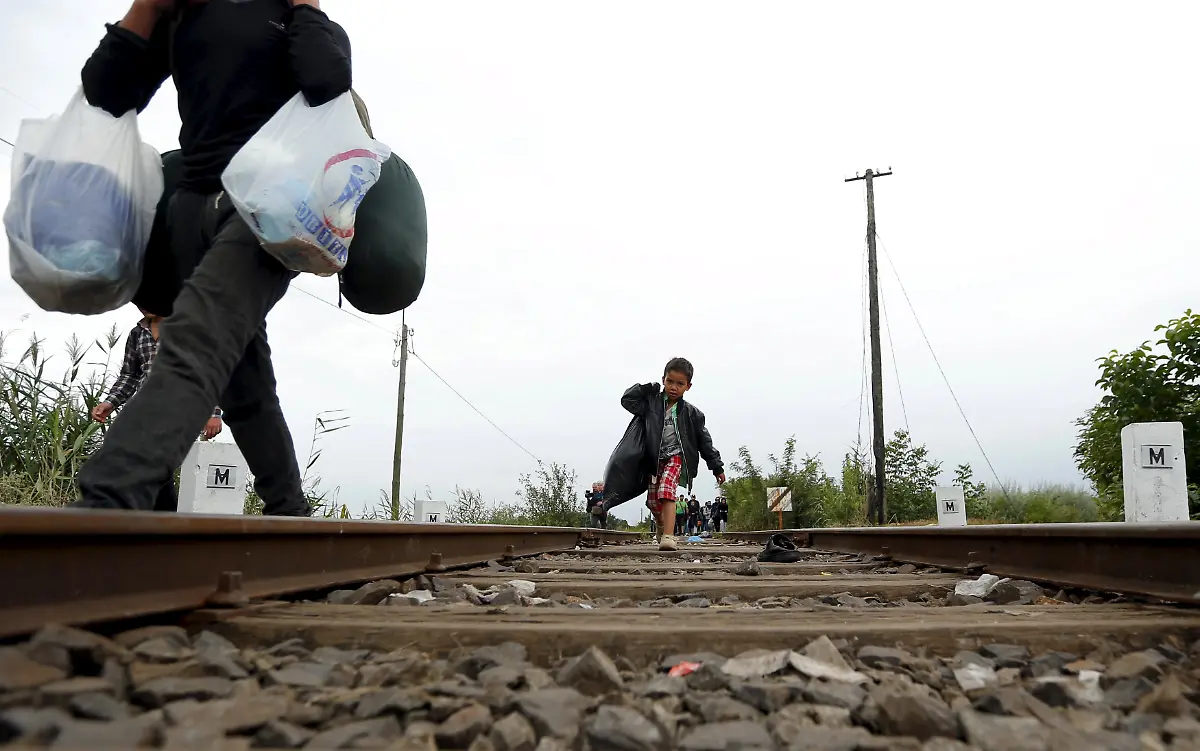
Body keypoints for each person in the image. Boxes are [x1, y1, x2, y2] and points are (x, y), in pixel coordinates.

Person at [72, 0, 352, 515]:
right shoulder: (186, 10)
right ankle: (290, 514)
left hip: (271, 208)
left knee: (196, 339)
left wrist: (307, 8)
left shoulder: (290, 12)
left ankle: (110, 501)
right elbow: (107, 92)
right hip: (193, 208)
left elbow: (328, 79)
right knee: (244, 381)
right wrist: (149, 9)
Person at [92, 309, 225, 512]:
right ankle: (159, 525)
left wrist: (213, 413)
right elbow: (130, 374)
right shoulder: (137, 333)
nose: (143, 305)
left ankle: (159, 524)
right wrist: (110, 403)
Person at [622, 357, 725, 551]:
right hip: (653, 459)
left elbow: (705, 442)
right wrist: (646, 388)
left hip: (676, 457)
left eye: (680, 384)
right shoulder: (651, 404)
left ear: (688, 386)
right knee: (653, 502)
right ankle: (661, 524)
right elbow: (627, 400)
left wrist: (716, 466)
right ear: (663, 380)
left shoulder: (692, 414)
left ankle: (669, 536)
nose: (674, 387)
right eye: (670, 381)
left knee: (667, 491)